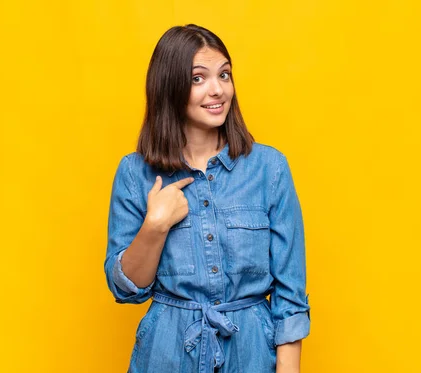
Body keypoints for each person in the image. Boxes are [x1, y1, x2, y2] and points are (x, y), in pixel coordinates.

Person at [104, 24, 311, 373]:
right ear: (169, 86)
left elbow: (290, 299)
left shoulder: (269, 168)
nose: (217, 90)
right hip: (165, 354)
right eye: (198, 78)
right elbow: (126, 290)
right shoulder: (134, 172)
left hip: (251, 356)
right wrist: (154, 226)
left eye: (224, 75)